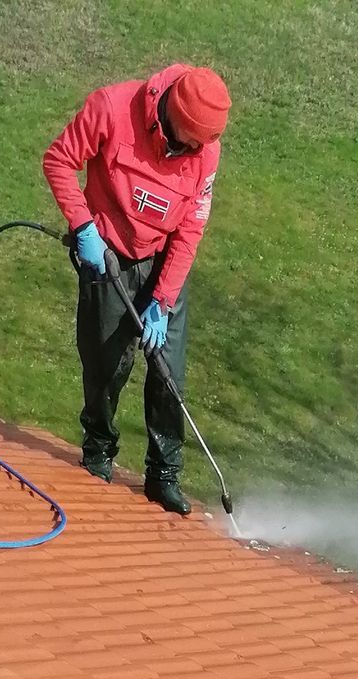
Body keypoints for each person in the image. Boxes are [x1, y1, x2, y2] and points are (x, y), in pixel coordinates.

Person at [42, 63, 230, 516]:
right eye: (183, 143)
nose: (187, 153)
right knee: (106, 364)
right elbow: (59, 160)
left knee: (168, 372)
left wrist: (162, 300)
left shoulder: (205, 152)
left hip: (163, 259)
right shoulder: (111, 107)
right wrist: (83, 227)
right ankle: (99, 453)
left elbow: (191, 230)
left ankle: (164, 474)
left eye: (196, 147)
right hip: (106, 249)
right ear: (168, 119)